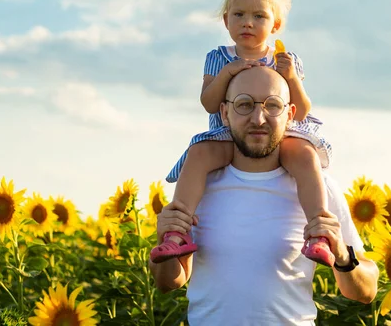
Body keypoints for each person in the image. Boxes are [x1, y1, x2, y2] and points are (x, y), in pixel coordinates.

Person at [149, 66, 379, 325]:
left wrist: (343, 256)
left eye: (273, 105)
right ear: (224, 113)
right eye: (244, 104)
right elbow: (170, 282)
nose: (258, 118)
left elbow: (366, 291)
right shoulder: (199, 185)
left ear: (290, 115)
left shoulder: (318, 189)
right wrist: (163, 244)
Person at [151, 0, 336, 266]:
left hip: (279, 134)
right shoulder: (219, 57)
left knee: (305, 155)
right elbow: (209, 104)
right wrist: (228, 74)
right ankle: (177, 231)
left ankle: (319, 232)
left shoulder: (285, 59)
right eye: (239, 14)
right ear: (226, 21)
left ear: (275, 25)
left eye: (259, 16)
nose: (247, 22)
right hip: (229, 134)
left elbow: (300, 110)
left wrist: (290, 78)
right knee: (198, 153)